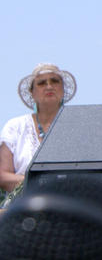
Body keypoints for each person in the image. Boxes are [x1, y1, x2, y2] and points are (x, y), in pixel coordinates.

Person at [0, 63, 77, 202]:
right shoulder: (15, 127)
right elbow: (3, 176)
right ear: (32, 92)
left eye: (54, 81)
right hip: (22, 207)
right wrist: (39, 184)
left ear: (63, 89)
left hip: (69, 204)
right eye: (42, 83)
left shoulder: (76, 127)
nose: (49, 86)